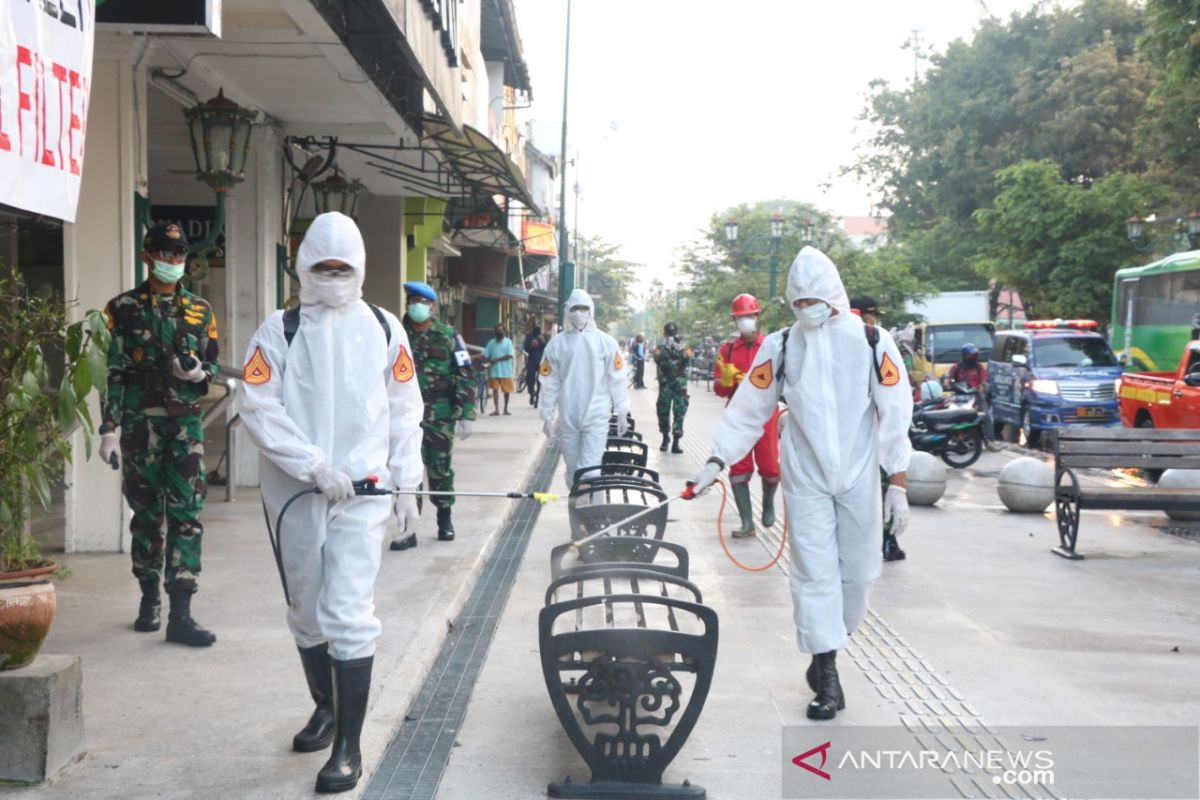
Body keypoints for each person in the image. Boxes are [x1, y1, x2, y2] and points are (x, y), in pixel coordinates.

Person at [237, 212, 423, 793]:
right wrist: (311, 465)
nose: (334, 276)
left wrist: (406, 479)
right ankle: (325, 705)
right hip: (296, 492)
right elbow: (257, 405)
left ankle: (348, 745)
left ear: (361, 268)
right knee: (306, 607)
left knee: (348, 610)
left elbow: (404, 406)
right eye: (324, 267)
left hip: (363, 494)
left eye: (344, 267)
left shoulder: (386, 327)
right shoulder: (279, 330)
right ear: (304, 267)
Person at [689, 247, 912, 721]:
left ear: (833, 294)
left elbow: (896, 414)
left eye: (815, 297)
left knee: (857, 573)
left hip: (857, 473)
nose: (807, 306)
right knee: (813, 573)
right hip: (806, 474)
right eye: (798, 299)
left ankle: (830, 645)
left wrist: (898, 482)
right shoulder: (783, 345)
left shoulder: (873, 341)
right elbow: (748, 408)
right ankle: (826, 673)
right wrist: (715, 459)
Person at [98, 222, 220, 648]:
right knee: (147, 517)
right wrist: (108, 429)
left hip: (185, 427)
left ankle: (182, 613)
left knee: (188, 515)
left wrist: (200, 371)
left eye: (179, 254)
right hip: (140, 427)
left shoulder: (201, 309)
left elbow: (213, 363)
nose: (172, 262)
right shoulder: (122, 309)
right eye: (165, 254)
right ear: (148, 256)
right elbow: (111, 373)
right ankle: (149, 598)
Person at [391, 281, 476, 548]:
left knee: (439, 470)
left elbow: (465, 374)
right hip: (405, 417)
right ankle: (408, 530)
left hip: (440, 416)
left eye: (422, 302)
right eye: (412, 301)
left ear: (433, 306)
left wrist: (465, 413)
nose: (416, 306)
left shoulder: (449, 335)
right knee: (406, 471)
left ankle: (444, 520)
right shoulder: (397, 335)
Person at [539, 288, 631, 488]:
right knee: (573, 469)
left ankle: (591, 514)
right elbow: (549, 382)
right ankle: (576, 511)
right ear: (568, 311)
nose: (579, 313)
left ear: (591, 311)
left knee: (590, 470)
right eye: (574, 308)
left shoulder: (606, 343)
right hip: (568, 415)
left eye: (583, 308)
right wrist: (546, 413)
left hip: (597, 414)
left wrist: (622, 410)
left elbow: (617, 379)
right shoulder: (556, 344)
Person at [713, 293, 780, 536]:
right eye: (740, 318)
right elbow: (719, 389)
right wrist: (727, 381)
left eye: (749, 316)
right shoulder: (728, 350)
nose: (745, 321)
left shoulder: (772, 347)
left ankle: (768, 503)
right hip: (738, 416)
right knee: (739, 468)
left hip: (765, 415)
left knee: (771, 467)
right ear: (734, 321)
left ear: (758, 316)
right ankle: (746, 522)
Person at [653, 322, 692, 454]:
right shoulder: (660, 347)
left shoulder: (685, 346)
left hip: (679, 385)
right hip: (665, 384)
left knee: (679, 411)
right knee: (663, 411)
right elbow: (657, 358)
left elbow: (688, 358)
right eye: (669, 334)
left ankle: (676, 441)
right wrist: (667, 347)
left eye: (672, 333)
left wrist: (678, 348)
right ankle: (665, 438)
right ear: (665, 334)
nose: (670, 336)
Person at [484, 325, 515, 415]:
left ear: (504, 332)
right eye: (498, 330)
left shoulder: (508, 342)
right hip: (494, 370)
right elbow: (486, 354)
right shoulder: (491, 343)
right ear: (495, 332)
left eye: (501, 330)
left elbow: (510, 355)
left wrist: (496, 359)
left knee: (506, 391)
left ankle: (505, 409)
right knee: (495, 389)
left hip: (506, 371)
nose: (499, 332)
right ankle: (497, 409)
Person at [522, 324, 546, 407]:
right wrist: (531, 345)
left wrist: (543, 342)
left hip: (541, 362)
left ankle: (538, 398)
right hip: (531, 361)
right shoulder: (529, 337)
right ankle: (531, 394)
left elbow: (548, 348)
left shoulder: (543, 337)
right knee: (530, 380)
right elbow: (525, 348)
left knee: (540, 381)